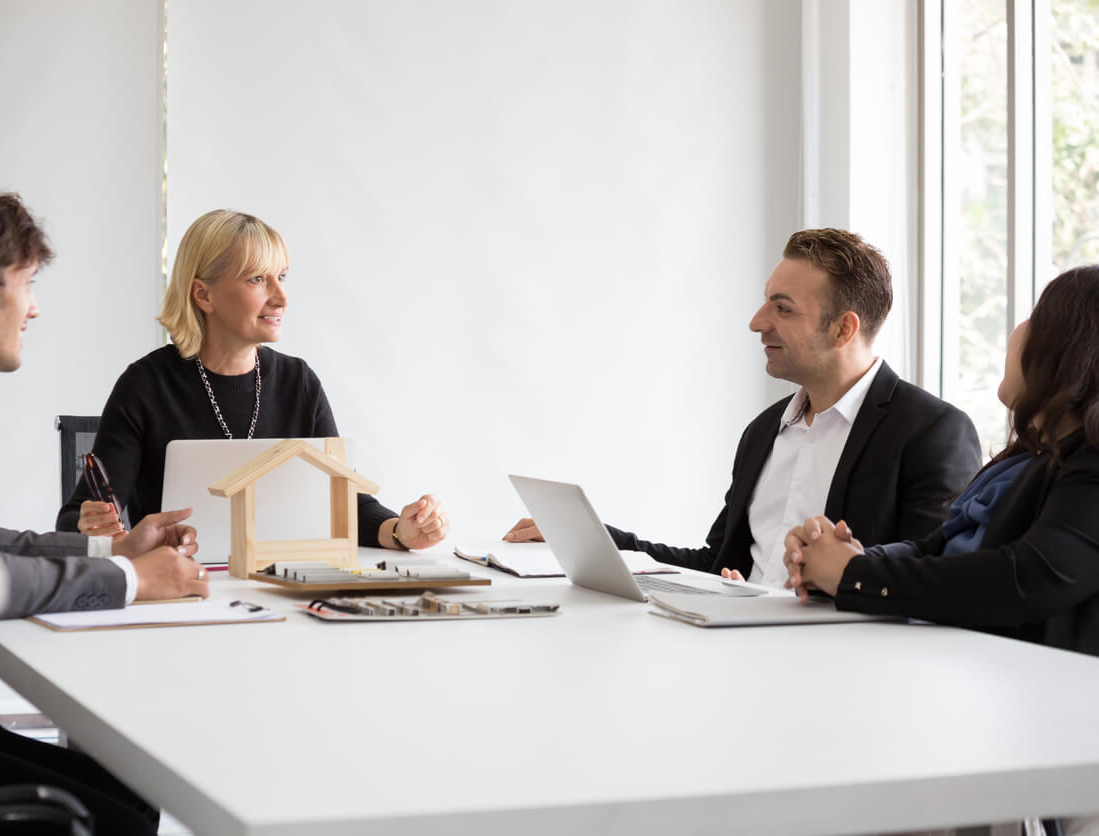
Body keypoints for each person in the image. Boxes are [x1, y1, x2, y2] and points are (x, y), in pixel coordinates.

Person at [0, 186, 209, 835]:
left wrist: (110, 552)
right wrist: (133, 581)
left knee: (130, 788)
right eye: (28, 284)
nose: (34, 308)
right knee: (123, 812)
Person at [504, 229, 981, 587]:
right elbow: (718, 565)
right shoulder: (764, 431)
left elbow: (932, 584)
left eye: (783, 308)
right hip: (737, 653)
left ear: (843, 329)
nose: (757, 322)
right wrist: (598, 541)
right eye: (765, 303)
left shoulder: (932, 432)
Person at [55, 209, 450, 551]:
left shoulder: (299, 382)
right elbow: (77, 516)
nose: (281, 297)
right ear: (203, 295)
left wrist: (400, 531)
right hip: (180, 590)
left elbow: (344, 505)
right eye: (258, 279)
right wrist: (92, 527)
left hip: (282, 591)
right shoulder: (146, 385)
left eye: (282, 276)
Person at [784, 264, 1099, 656]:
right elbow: (932, 548)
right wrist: (837, 558)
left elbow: (1025, 578)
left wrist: (854, 574)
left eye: (1036, 319)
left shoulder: (1090, 465)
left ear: (1071, 349)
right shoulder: (1025, 460)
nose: (1019, 329)